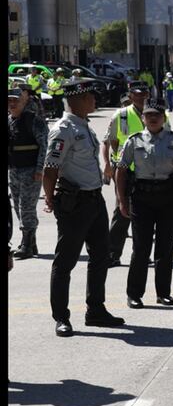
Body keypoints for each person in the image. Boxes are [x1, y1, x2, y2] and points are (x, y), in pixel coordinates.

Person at [43, 77, 125, 337]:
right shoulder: (63, 129)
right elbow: (50, 168)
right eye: (90, 97)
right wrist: (49, 198)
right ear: (78, 99)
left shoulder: (84, 125)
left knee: (101, 255)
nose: (94, 101)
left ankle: (95, 310)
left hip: (94, 200)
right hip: (74, 203)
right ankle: (61, 317)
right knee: (65, 261)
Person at [115, 100, 173, 308]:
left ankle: (163, 293)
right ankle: (134, 294)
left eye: (157, 115)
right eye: (149, 115)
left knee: (165, 247)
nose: (153, 118)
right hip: (142, 199)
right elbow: (121, 170)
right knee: (141, 248)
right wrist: (122, 201)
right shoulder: (134, 141)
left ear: (164, 118)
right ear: (143, 118)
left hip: (169, 198)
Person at [103, 81, 164, 267]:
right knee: (122, 211)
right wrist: (109, 164)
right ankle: (112, 253)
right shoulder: (121, 115)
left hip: (148, 171)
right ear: (130, 96)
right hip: (125, 170)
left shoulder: (159, 114)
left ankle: (142, 254)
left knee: (144, 215)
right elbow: (110, 141)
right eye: (137, 94)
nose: (141, 97)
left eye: (144, 94)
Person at [8, 84, 49, 259]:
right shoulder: (9, 121)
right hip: (14, 170)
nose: (12, 104)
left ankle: (26, 245)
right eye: (9, 101)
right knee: (18, 207)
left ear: (23, 102)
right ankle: (31, 242)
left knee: (26, 208)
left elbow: (45, 146)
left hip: (31, 170)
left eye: (15, 101)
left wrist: (40, 169)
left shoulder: (34, 121)